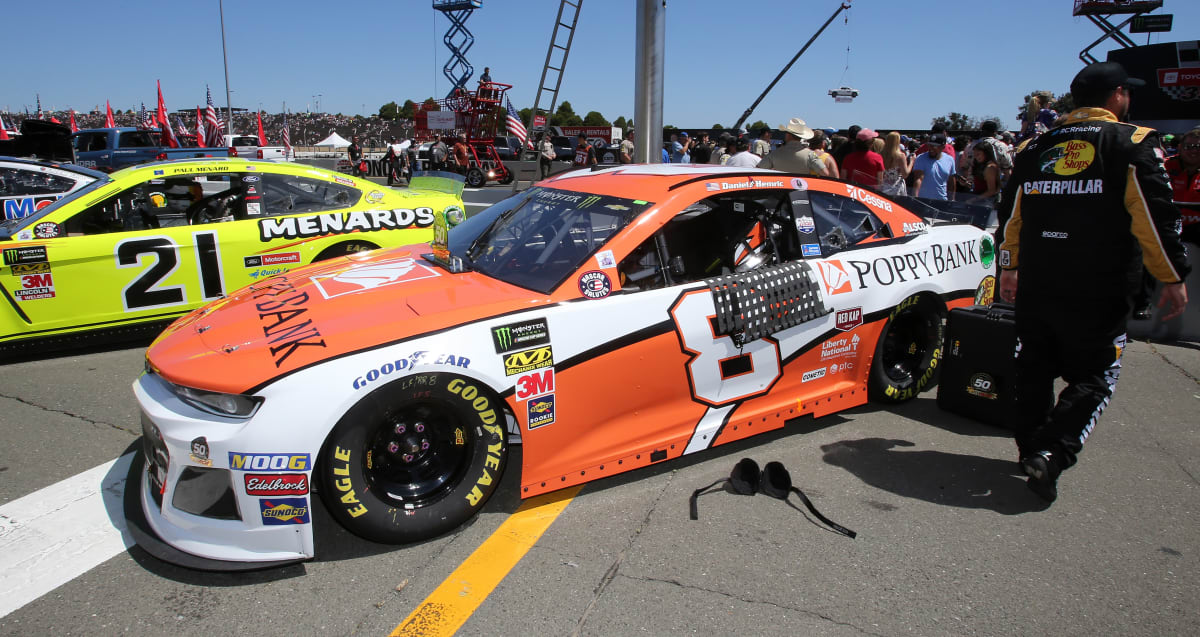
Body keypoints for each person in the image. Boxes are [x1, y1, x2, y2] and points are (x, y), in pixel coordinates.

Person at [997, 61, 1190, 503]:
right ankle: (1051, 452)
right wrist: (1172, 276)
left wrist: (1009, 266)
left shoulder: (1035, 146)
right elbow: (1154, 217)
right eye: (1128, 92)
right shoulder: (1132, 142)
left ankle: (1032, 450)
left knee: (1033, 368)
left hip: (1039, 280)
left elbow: (1012, 216)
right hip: (1100, 285)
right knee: (1098, 374)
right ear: (1118, 95)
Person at [757, 117, 825, 175]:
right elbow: (825, 174)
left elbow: (757, 170)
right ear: (801, 136)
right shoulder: (810, 155)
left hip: (781, 186)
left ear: (788, 135)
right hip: (802, 186)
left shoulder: (774, 154)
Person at [910, 133, 956, 200]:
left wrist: (952, 199)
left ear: (943, 147)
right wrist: (915, 197)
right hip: (923, 200)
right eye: (930, 145)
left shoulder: (950, 160)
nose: (931, 148)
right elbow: (918, 179)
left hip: (942, 200)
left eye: (935, 146)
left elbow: (951, 181)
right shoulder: (921, 158)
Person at [967, 141, 1001, 207]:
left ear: (986, 154)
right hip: (979, 198)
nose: (976, 157)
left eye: (978, 154)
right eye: (975, 154)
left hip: (986, 202)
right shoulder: (980, 165)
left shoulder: (990, 168)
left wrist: (973, 200)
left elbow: (992, 191)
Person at [879, 131, 910, 196]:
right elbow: (905, 174)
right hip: (896, 188)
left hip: (883, 187)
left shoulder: (881, 154)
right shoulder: (900, 156)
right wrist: (912, 162)